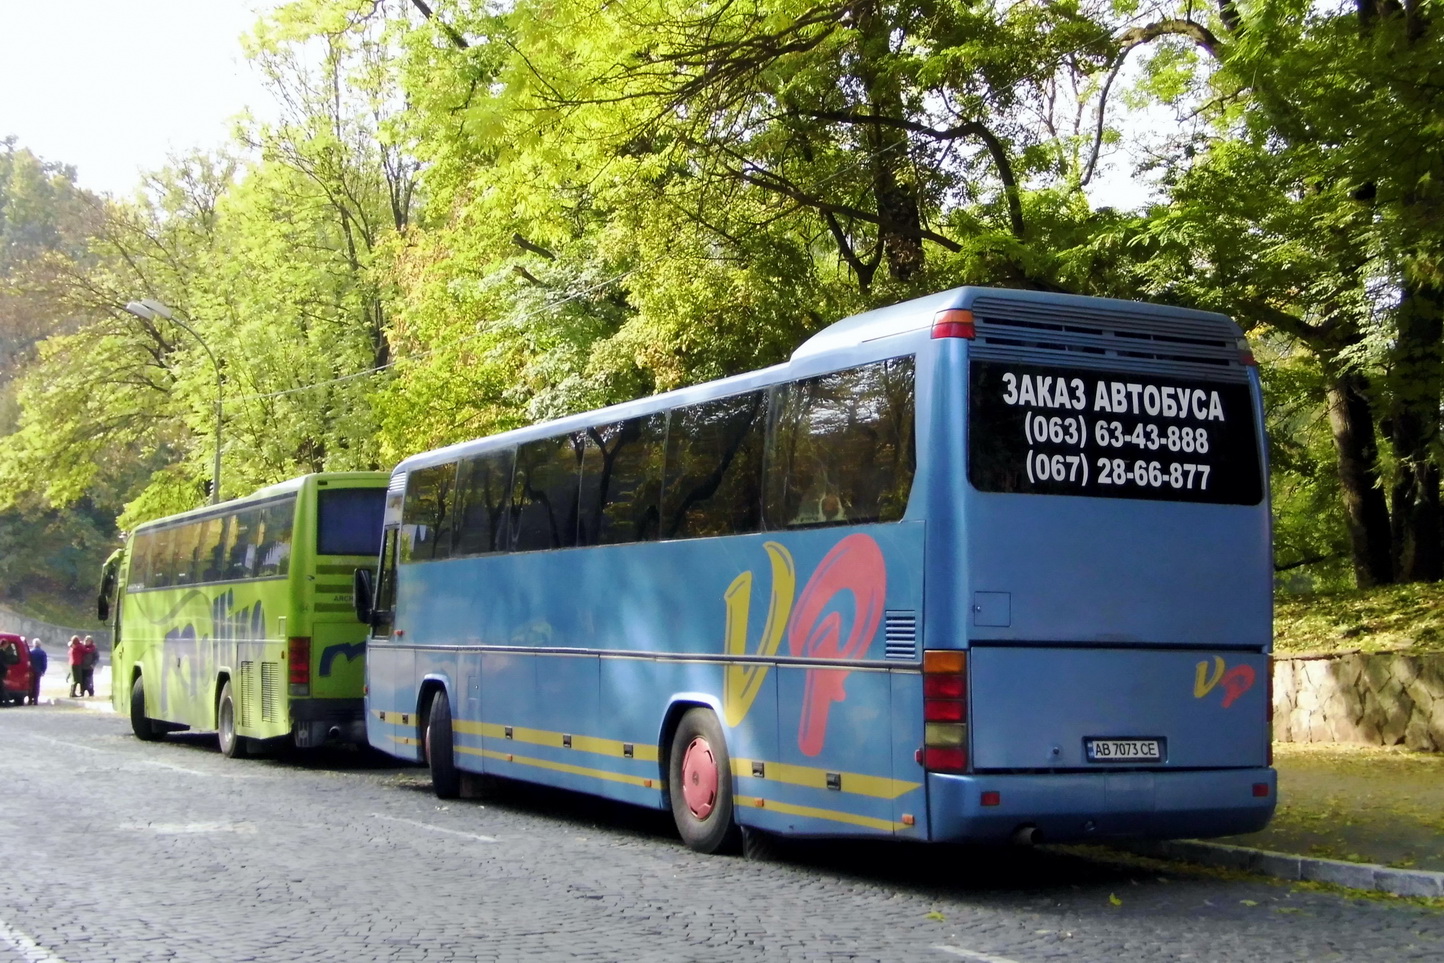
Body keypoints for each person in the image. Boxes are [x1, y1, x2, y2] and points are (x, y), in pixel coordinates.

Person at [28, 639, 46, 705]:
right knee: (36, 685)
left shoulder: (30, 652)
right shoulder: (42, 652)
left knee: (31, 684)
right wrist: (43, 671)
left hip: (31, 671)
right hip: (38, 671)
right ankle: (35, 700)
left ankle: (30, 699)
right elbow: (44, 663)